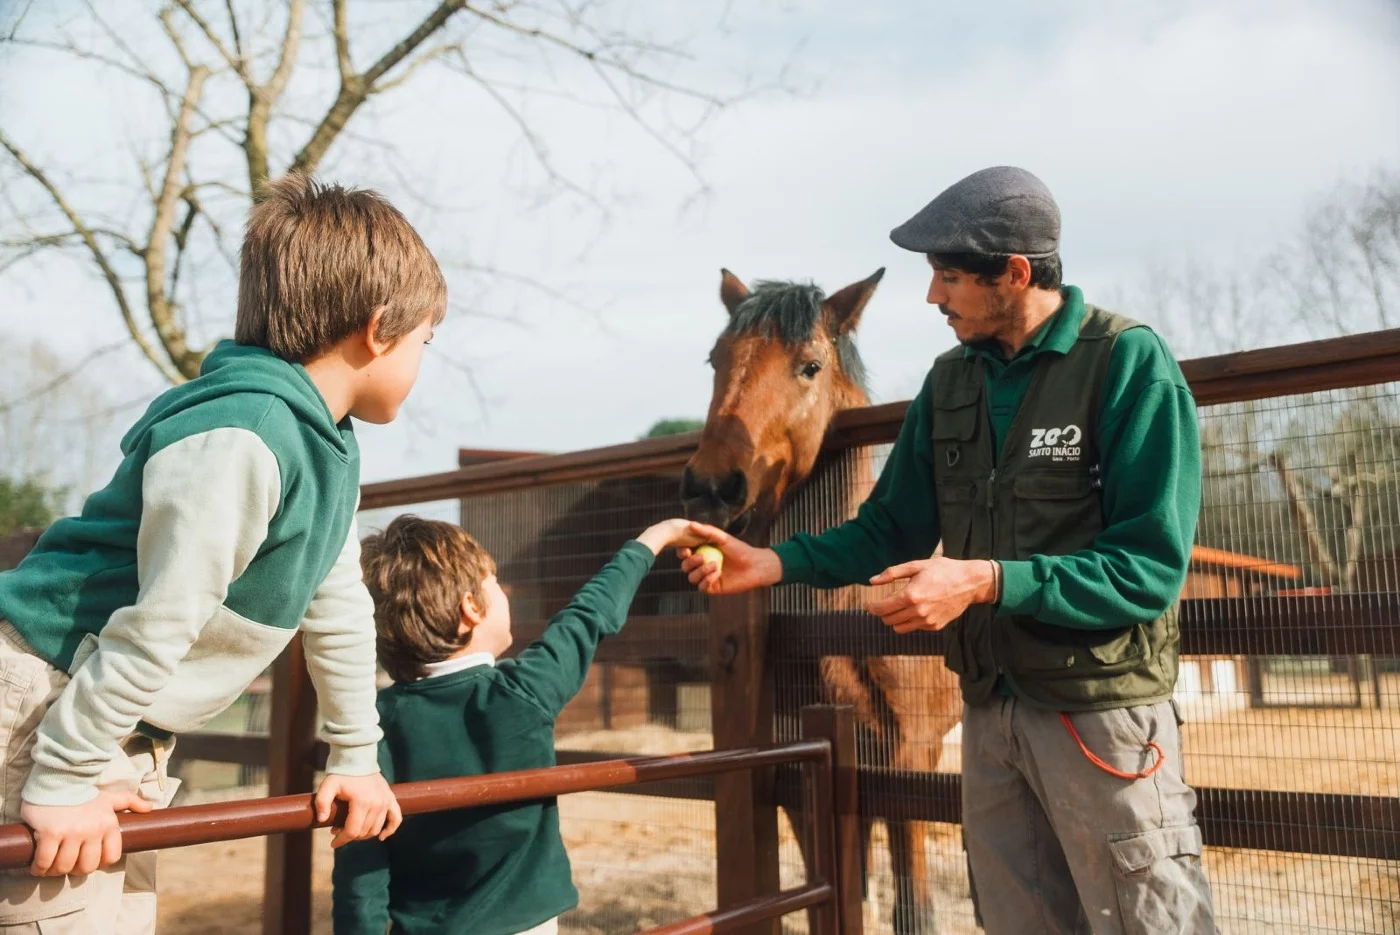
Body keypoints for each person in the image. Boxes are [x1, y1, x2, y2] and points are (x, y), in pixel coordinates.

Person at [681, 166, 1218, 933]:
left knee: (1144, 919)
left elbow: (1152, 568)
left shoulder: (1126, 364)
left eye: (950, 275)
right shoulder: (951, 381)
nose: (932, 295)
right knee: (1018, 919)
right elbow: (889, 528)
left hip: (1099, 710)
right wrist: (772, 563)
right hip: (991, 714)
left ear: (1016, 274)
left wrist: (985, 581)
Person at [0, 172, 441, 932]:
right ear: (378, 329)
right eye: (425, 340)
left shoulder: (325, 442)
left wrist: (356, 757)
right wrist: (64, 775)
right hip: (51, 698)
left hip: (107, 718)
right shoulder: (246, 435)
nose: (423, 359)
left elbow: (336, 608)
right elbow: (158, 620)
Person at [331, 515, 706, 935]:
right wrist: (654, 538)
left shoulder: (370, 727)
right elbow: (589, 614)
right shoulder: (524, 690)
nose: (504, 592)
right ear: (471, 608)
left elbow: (359, 866)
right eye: (496, 583)